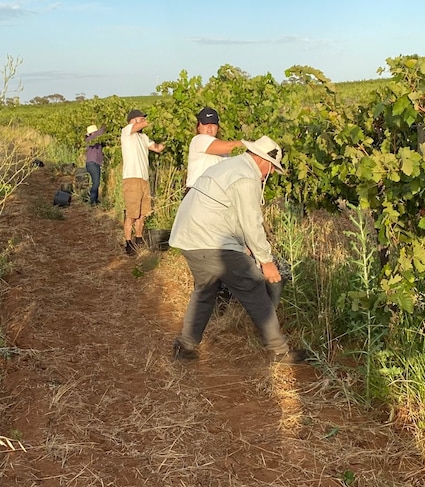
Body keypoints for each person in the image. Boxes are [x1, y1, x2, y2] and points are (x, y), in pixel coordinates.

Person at [168, 135, 308, 364]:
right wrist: (266, 261)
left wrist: (243, 247)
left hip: (189, 238)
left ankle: (185, 345)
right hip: (211, 240)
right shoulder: (246, 177)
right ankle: (279, 351)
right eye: (272, 167)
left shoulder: (230, 166)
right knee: (253, 286)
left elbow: (224, 210)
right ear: (263, 160)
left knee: (205, 290)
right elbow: (251, 222)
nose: (270, 173)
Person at [121, 109, 165, 255]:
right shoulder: (127, 132)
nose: (144, 122)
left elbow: (157, 148)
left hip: (144, 179)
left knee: (143, 213)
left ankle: (139, 238)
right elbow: (141, 125)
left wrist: (171, 137)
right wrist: (161, 118)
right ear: (133, 120)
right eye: (141, 119)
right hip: (132, 178)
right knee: (132, 214)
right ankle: (128, 242)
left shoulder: (144, 137)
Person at [185, 107, 243, 190]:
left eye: (213, 124)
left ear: (218, 127)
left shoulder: (224, 151)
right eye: (205, 123)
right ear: (198, 127)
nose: (209, 127)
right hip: (197, 192)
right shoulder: (198, 140)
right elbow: (230, 146)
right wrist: (255, 145)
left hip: (214, 193)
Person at [84, 124, 106, 205]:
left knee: (95, 182)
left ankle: (95, 200)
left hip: (92, 163)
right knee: (96, 183)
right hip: (93, 163)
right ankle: (92, 201)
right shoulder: (91, 139)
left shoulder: (93, 139)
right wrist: (104, 126)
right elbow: (100, 132)